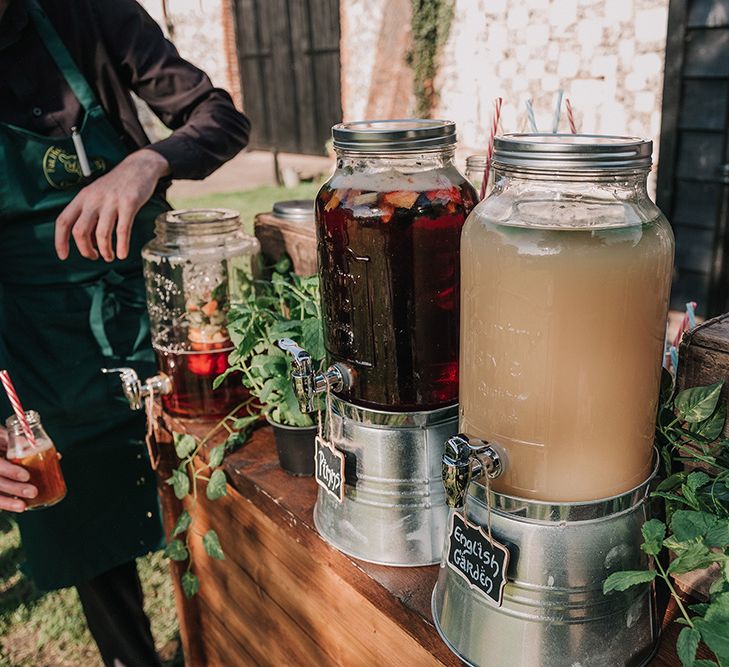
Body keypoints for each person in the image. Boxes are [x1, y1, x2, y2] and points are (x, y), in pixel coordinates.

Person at [0, 0, 250, 664]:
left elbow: (220, 115)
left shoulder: (89, 11)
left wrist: (147, 164)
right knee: (90, 541)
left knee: (219, 507)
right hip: (36, 351)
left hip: (159, 321)